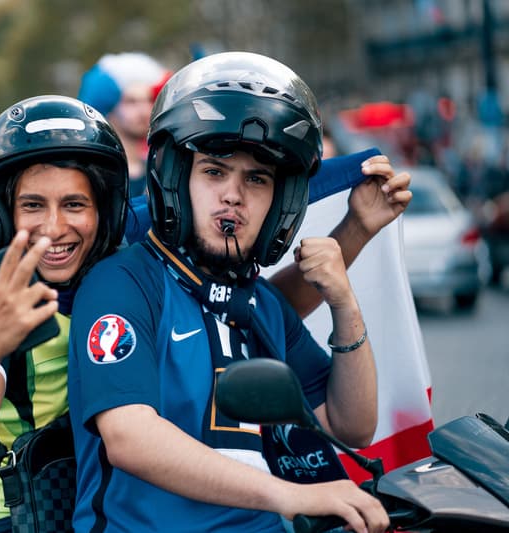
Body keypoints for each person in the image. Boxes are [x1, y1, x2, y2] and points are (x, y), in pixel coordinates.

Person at [67, 52, 394, 533]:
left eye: (257, 180)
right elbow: (129, 437)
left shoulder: (261, 303)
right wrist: (291, 495)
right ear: (176, 178)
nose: (234, 196)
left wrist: (344, 301)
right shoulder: (123, 282)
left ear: (280, 203)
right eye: (215, 172)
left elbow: (352, 425)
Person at [0, 95, 130, 533]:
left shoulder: (121, 278)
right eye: (33, 205)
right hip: (8, 511)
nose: (55, 227)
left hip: (92, 497)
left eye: (75, 205)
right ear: (4, 213)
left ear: (105, 209)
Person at [78, 52, 170, 197]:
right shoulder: (91, 172)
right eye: (131, 102)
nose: (145, 111)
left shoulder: (160, 170)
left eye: (149, 100)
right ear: (108, 107)